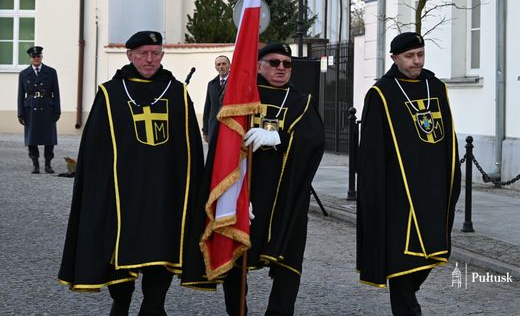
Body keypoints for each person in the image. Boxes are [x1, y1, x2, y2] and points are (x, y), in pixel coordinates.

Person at [58, 31, 206, 316]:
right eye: (142, 54)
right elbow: (95, 150)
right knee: (119, 248)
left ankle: (154, 305)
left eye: (155, 53)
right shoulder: (110, 93)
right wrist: (98, 190)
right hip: (121, 193)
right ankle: (121, 301)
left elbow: (189, 150)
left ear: (162, 55)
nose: (149, 59)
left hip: (165, 192)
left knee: (163, 247)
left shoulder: (177, 93)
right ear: (129, 56)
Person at [356, 32, 461, 316]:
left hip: (433, 187)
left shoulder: (436, 87)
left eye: (420, 54)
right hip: (398, 192)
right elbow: (372, 151)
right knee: (402, 260)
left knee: (431, 254)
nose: (416, 61)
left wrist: (452, 180)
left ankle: (408, 298)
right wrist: (374, 195)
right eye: (409, 56)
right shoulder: (381, 94)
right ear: (394, 58)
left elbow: (447, 139)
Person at [219, 43, 325, 316]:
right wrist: (232, 194)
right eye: (274, 62)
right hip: (248, 192)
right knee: (237, 262)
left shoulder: (301, 102)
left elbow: (314, 140)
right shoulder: (242, 97)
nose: (281, 68)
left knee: (289, 262)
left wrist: (280, 137)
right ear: (258, 65)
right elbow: (223, 143)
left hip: (287, 195)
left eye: (287, 64)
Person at [17, 46, 61, 174]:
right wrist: (20, 113)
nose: (36, 59)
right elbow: (21, 95)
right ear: (30, 58)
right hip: (30, 109)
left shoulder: (51, 72)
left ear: (42, 57)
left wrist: (57, 110)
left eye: (38, 56)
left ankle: (48, 164)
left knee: (49, 139)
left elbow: (56, 93)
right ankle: (35, 164)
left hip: (47, 107)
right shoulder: (24, 74)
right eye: (34, 57)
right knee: (32, 139)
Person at [202, 55, 230, 144]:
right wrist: (205, 130)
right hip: (213, 127)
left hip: (229, 126)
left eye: (224, 64)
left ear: (229, 65)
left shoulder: (235, 82)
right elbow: (207, 108)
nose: (221, 67)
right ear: (215, 67)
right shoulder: (211, 84)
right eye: (218, 64)